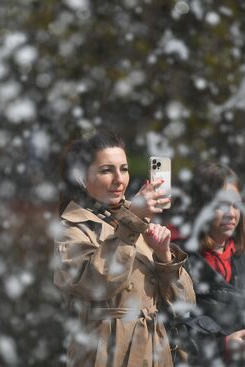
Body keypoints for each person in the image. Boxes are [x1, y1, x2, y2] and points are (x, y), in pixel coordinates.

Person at [53, 130, 196, 367]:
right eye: (106, 170)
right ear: (81, 178)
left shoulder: (137, 221)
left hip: (154, 354)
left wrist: (164, 257)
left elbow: (185, 305)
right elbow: (97, 283)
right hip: (105, 356)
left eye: (124, 169)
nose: (119, 179)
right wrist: (133, 222)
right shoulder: (71, 228)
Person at [172, 162, 245, 365]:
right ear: (200, 206)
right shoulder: (175, 260)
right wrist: (223, 348)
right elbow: (169, 338)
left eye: (235, 204)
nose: (231, 213)